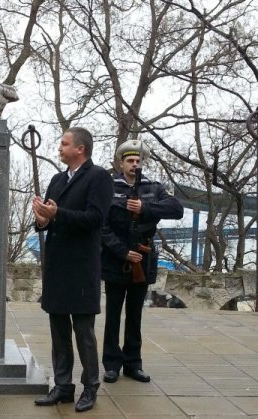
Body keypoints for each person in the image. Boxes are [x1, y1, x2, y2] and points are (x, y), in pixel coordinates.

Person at [32, 127, 113, 413]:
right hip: (57, 265)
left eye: (64, 144)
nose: (59, 148)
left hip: (81, 267)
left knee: (83, 332)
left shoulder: (99, 177)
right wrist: (42, 219)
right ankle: (63, 386)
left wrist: (58, 214)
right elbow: (50, 222)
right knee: (58, 331)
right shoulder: (57, 179)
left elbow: (95, 219)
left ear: (80, 148)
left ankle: (90, 386)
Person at [101, 139, 183, 384]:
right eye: (130, 161)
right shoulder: (108, 186)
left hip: (143, 257)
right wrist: (123, 252)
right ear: (121, 162)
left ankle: (133, 363)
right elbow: (102, 227)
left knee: (135, 315)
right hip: (117, 259)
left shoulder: (154, 188)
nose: (134, 165)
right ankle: (112, 364)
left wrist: (145, 206)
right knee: (113, 314)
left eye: (138, 161)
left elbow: (175, 209)